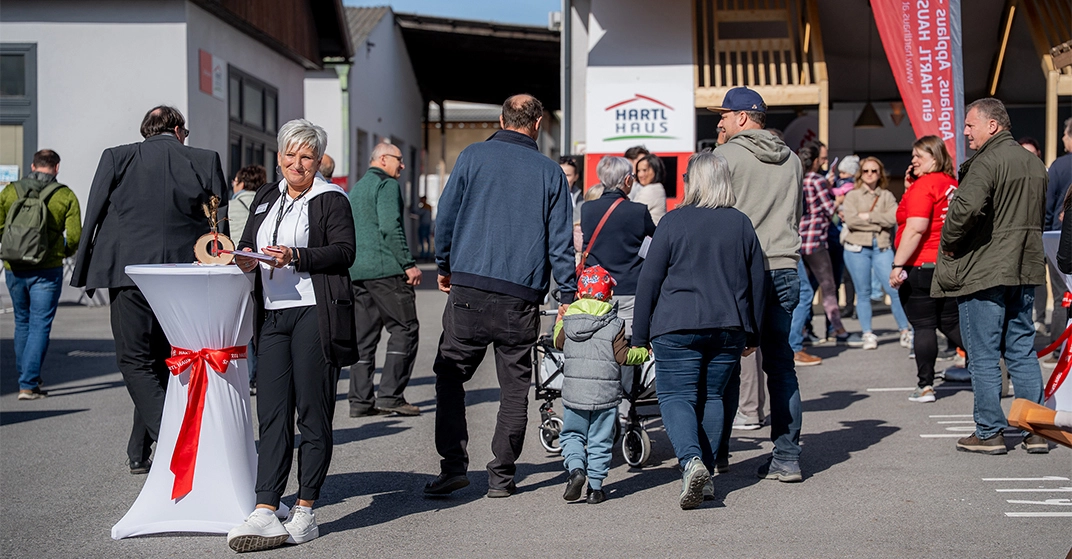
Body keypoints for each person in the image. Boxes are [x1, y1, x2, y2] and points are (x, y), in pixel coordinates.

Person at [425, 94, 576, 498]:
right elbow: (560, 243)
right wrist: (568, 292)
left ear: (501, 119)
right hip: (521, 295)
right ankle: (501, 476)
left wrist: (444, 267)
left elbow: (448, 216)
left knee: (451, 374)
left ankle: (454, 466)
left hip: (469, 285)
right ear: (538, 123)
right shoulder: (550, 172)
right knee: (514, 385)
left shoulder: (473, 156)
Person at [71, 106, 228, 474]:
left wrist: (84, 270)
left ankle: (177, 439)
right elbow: (217, 223)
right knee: (161, 358)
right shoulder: (204, 159)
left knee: (134, 359)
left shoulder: (117, 157)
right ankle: (138, 450)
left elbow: (93, 212)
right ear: (177, 129)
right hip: (181, 272)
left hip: (129, 272)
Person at [227, 119, 357, 551]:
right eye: (289, 154)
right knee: (272, 412)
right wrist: (242, 259)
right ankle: (267, 507)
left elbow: (344, 252)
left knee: (312, 413)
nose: (296, 163)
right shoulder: (267, 196)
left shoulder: (330, 199)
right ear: (278, 156)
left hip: (314, 313)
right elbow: (247, 242)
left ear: (318, 160)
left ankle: (305, 508)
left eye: (305, 156)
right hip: (272, 316)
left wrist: (297, 256)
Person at [632, 150, 766, 509]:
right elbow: (756, 282)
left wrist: (639, 335)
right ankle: (704, 471)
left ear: (692, 182)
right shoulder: (740, 223)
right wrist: (753, 332)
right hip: (728, 326)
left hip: (676, 325)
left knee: (677, 397)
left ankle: (691, 463)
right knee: (713, 397)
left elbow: (649, 281)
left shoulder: (674, 222)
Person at [933, 98, 1050, 455]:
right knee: (1021, 351)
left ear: (993, 126)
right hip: (1023, 265)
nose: (965, 131)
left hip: (984, 267)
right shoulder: (1033, 163)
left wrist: (950, 242)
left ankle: (989, 431)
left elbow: (964, 211)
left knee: (983, 354)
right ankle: (1037, 430)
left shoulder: (986, 161)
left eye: (970, 125)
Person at [711, 86, 805, 482]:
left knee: (726, 363)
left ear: (744, 118)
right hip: (784, 266)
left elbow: (710, 217)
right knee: (781, 367)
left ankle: (718, 454)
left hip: (740, 270)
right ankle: (787, 457)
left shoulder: (725, 156)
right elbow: (795, 215)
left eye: (726, 115)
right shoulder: (794, 160)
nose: (721, 122)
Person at [553, 265, 649, 505]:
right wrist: (643, 353)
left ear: (579, 294)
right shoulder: (615, 324)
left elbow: (557, 342)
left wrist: (559, 319)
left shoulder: (569, 322)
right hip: (606, 395)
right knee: (600, 440)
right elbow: (623, 357)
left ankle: (576, 469)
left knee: (573, 435)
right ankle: (595, 488)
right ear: (608, 295)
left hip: (575, 394)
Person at [347, 142, 422, 417]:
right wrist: (408, 264)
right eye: (398, 160)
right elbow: (390, 226)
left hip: (358, 271)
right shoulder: (386, 185)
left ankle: (360, 401)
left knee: (364, 339)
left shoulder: (358, 188)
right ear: (382, 159)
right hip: (386, 269)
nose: (402, 165)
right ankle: (390, 395)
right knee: (405, 329)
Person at [0, 149, 81, 400]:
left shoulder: (10, 191)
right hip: (47, 269)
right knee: (40, 325)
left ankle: (26, 377)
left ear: (33, 165)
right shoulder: (64, 195)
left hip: (15, 268)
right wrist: (62, 252)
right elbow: (75, 235)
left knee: (22, 322)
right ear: (56, 167)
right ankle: (28, 383)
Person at [889, 135, 964, 403]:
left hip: (921, 264)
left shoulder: (925, 186)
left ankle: (925, 386)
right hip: (949, 265)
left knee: (923, 325)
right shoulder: (952, 185)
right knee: (950, 322)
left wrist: (898, 265)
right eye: (913, 156)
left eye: (920, 156)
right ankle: (988, 362)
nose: (914, 160)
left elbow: (916, 228)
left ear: (936, 157)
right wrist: (911, 187)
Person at [841, 156, 911, 350]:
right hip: (857, 248)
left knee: (894, 288)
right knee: (862, 293)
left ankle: (905, 331)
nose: (870, 174)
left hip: (882, 247)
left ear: (880, 174)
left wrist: (868, 216)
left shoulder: (886, 195)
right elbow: (851, 220)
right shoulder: (853, 196)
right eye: (866, 171)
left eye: (874, 171)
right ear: (860, 174)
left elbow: (893, 218)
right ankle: (868, 333)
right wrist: (877, 220)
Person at [580, 156, 656, 332]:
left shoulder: (587, 209)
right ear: (628, 180)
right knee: (628, 344)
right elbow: (657, 241)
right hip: (630, 287)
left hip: (596, 289)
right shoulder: (638, 211)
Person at [798, 141, 851, 344]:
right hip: (816, 241)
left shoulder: (799, 178)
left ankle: (802, 329)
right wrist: (837, 200)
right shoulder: (817, 180)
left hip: (801, 240)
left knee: (806, 290)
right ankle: (837, 328)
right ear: (815, 161)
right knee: (828, 287)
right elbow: (829, 210)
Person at [1042, 119, 1072, 355]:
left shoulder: (1059, 166)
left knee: (1063, 295)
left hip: (1059, 239)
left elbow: (1047, 204)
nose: (1062, 138)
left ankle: (1059, 347)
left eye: (1064, 134)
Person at [631, 154, 668, 225]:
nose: (640, 175)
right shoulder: (657, 187)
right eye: (638, 171)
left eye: (645, 170)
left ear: (656, 170)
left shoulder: (651, 189)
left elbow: (632, 213)